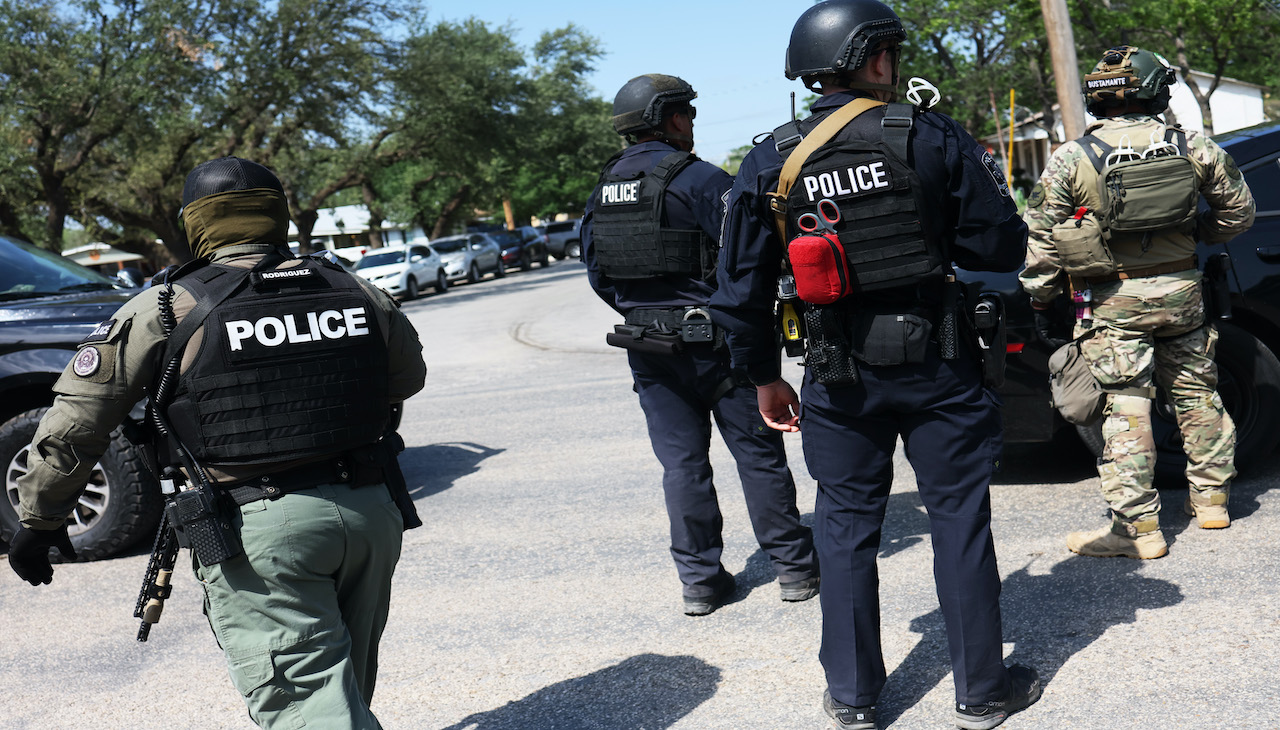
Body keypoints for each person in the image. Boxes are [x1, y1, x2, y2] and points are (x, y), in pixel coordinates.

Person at [709, 1, 1041, 727]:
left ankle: (856, 699)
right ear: (874, 58)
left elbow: (739, 291)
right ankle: (982, 692)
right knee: (958, 516)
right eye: (888, 52)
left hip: (836, 371)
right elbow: (1001, 248)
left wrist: (762, 376)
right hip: (941, 364)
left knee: (846, 524)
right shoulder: (930, 133)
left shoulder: (771, 157)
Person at [8, 157, 427, 729]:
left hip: (260, 529)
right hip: (371, 513)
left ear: (195, 223)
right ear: (276, 214)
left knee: (309, 704)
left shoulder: (163, 308)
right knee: (345, 687)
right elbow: (406, 378)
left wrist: (40, 517)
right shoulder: (354, 288)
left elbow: (77, 421)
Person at [583, 73, 819, 616]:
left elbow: (598, 275)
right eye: (686, 113)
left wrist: (644, 313)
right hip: (718, 343)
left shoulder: (602, 190)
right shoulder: (705, 181)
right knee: (758, 455)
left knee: (682, 465)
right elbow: (750, 262)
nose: (691, 123)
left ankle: (700, 581)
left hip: (647, 347)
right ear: (670, 118)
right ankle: (793, 569)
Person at [1021, 46, 1255, 560]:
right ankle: (1212, 502)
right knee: (1197, 391)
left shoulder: (1071, 158)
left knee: (1126, 408)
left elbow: (1041, 238)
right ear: (1158, 91)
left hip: (1114, 299)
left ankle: (1138, 532)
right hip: (1183, 293)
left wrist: (1041, 298)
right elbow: (1238, 214)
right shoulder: (1194, 145)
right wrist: (1195, 235)